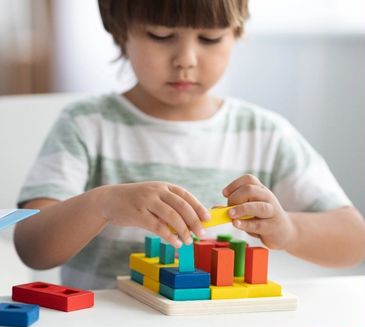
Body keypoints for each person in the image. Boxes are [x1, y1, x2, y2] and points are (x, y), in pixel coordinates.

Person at [14, 0, 365, 289]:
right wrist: (101, 204)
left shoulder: (264, 132)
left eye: (210, 38)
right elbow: (32, 246)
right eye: (161, 35)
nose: (186, 59)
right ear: (121, 32)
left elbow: (353, 240)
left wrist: (288, 230)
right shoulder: (85, 124)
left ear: (237, 33)